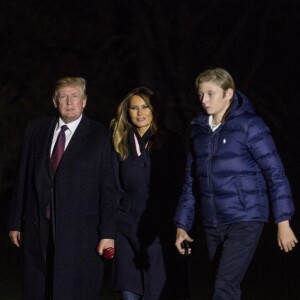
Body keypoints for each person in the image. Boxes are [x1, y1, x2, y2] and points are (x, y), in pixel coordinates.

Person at [174, 68, 298, 300]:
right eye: (200, 94)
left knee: (224, 286)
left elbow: (275, 173)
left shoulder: (250, 125)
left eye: (211, 94)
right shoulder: (197, 132)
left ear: (228, 93)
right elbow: (191, 182)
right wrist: (182, 226)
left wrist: (283, 221)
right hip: (212, 221)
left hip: (245, 217)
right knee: (223, 285)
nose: (204, 100)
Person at [7, 77, 117, 300]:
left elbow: (108, 189)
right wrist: (15, 221)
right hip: (39, 229)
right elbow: (23, 177)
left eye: (74, 96)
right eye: (63, 97)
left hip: (81, 234)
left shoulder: (101, 136)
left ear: (84, 101)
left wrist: (107, 233)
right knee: (38, 289)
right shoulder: (36, 130)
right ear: (54, 101)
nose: (69, 102)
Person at [110, 87, 189, 300]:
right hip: (126, 229)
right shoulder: (119, 144)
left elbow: (182, 186)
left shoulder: (170, 142)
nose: (139, 112)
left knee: (157, 292)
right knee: (130, 293)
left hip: (159, 229)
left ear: (155, 110)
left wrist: (182, 224)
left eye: (145, 106)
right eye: (134, 107)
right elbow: (115, 188)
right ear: (127, 112)